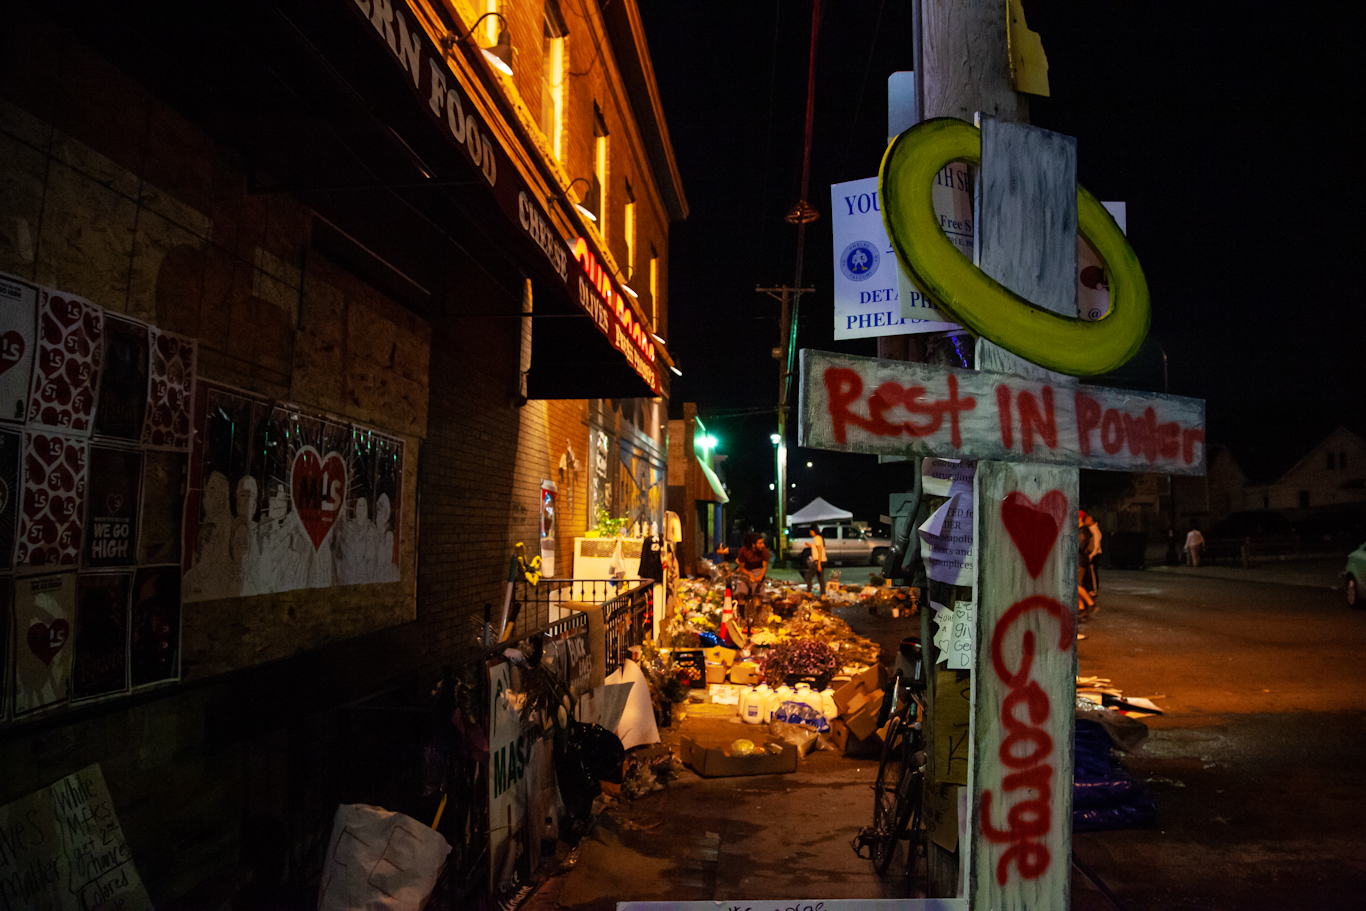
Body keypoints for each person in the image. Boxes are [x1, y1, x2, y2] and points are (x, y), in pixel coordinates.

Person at [733, 532, 770, 619]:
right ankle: (742, 616)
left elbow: (764, 567)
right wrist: (749, 575)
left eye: (763, 543)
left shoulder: (764, 551)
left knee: (757, 593)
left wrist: (760, 577)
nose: (762, 545)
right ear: (753, 544)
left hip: (758, 569)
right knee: (741, 592)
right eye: (760, 543)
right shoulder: (744, 551)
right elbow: (741, 568)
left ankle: (756, 616)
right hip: (746, 569)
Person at [802, 525, 827, 596]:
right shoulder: (819, 538)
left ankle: (809, 593)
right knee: (820, 578)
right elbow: (816, 547)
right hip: (823, 560)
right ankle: (823, 595)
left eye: (810, 531)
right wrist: (810, 545)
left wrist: (818, 564)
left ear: (814, 531)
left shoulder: (817, 538)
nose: (810, 533)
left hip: (818, 561)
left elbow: (819, 551)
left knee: (808, 576)